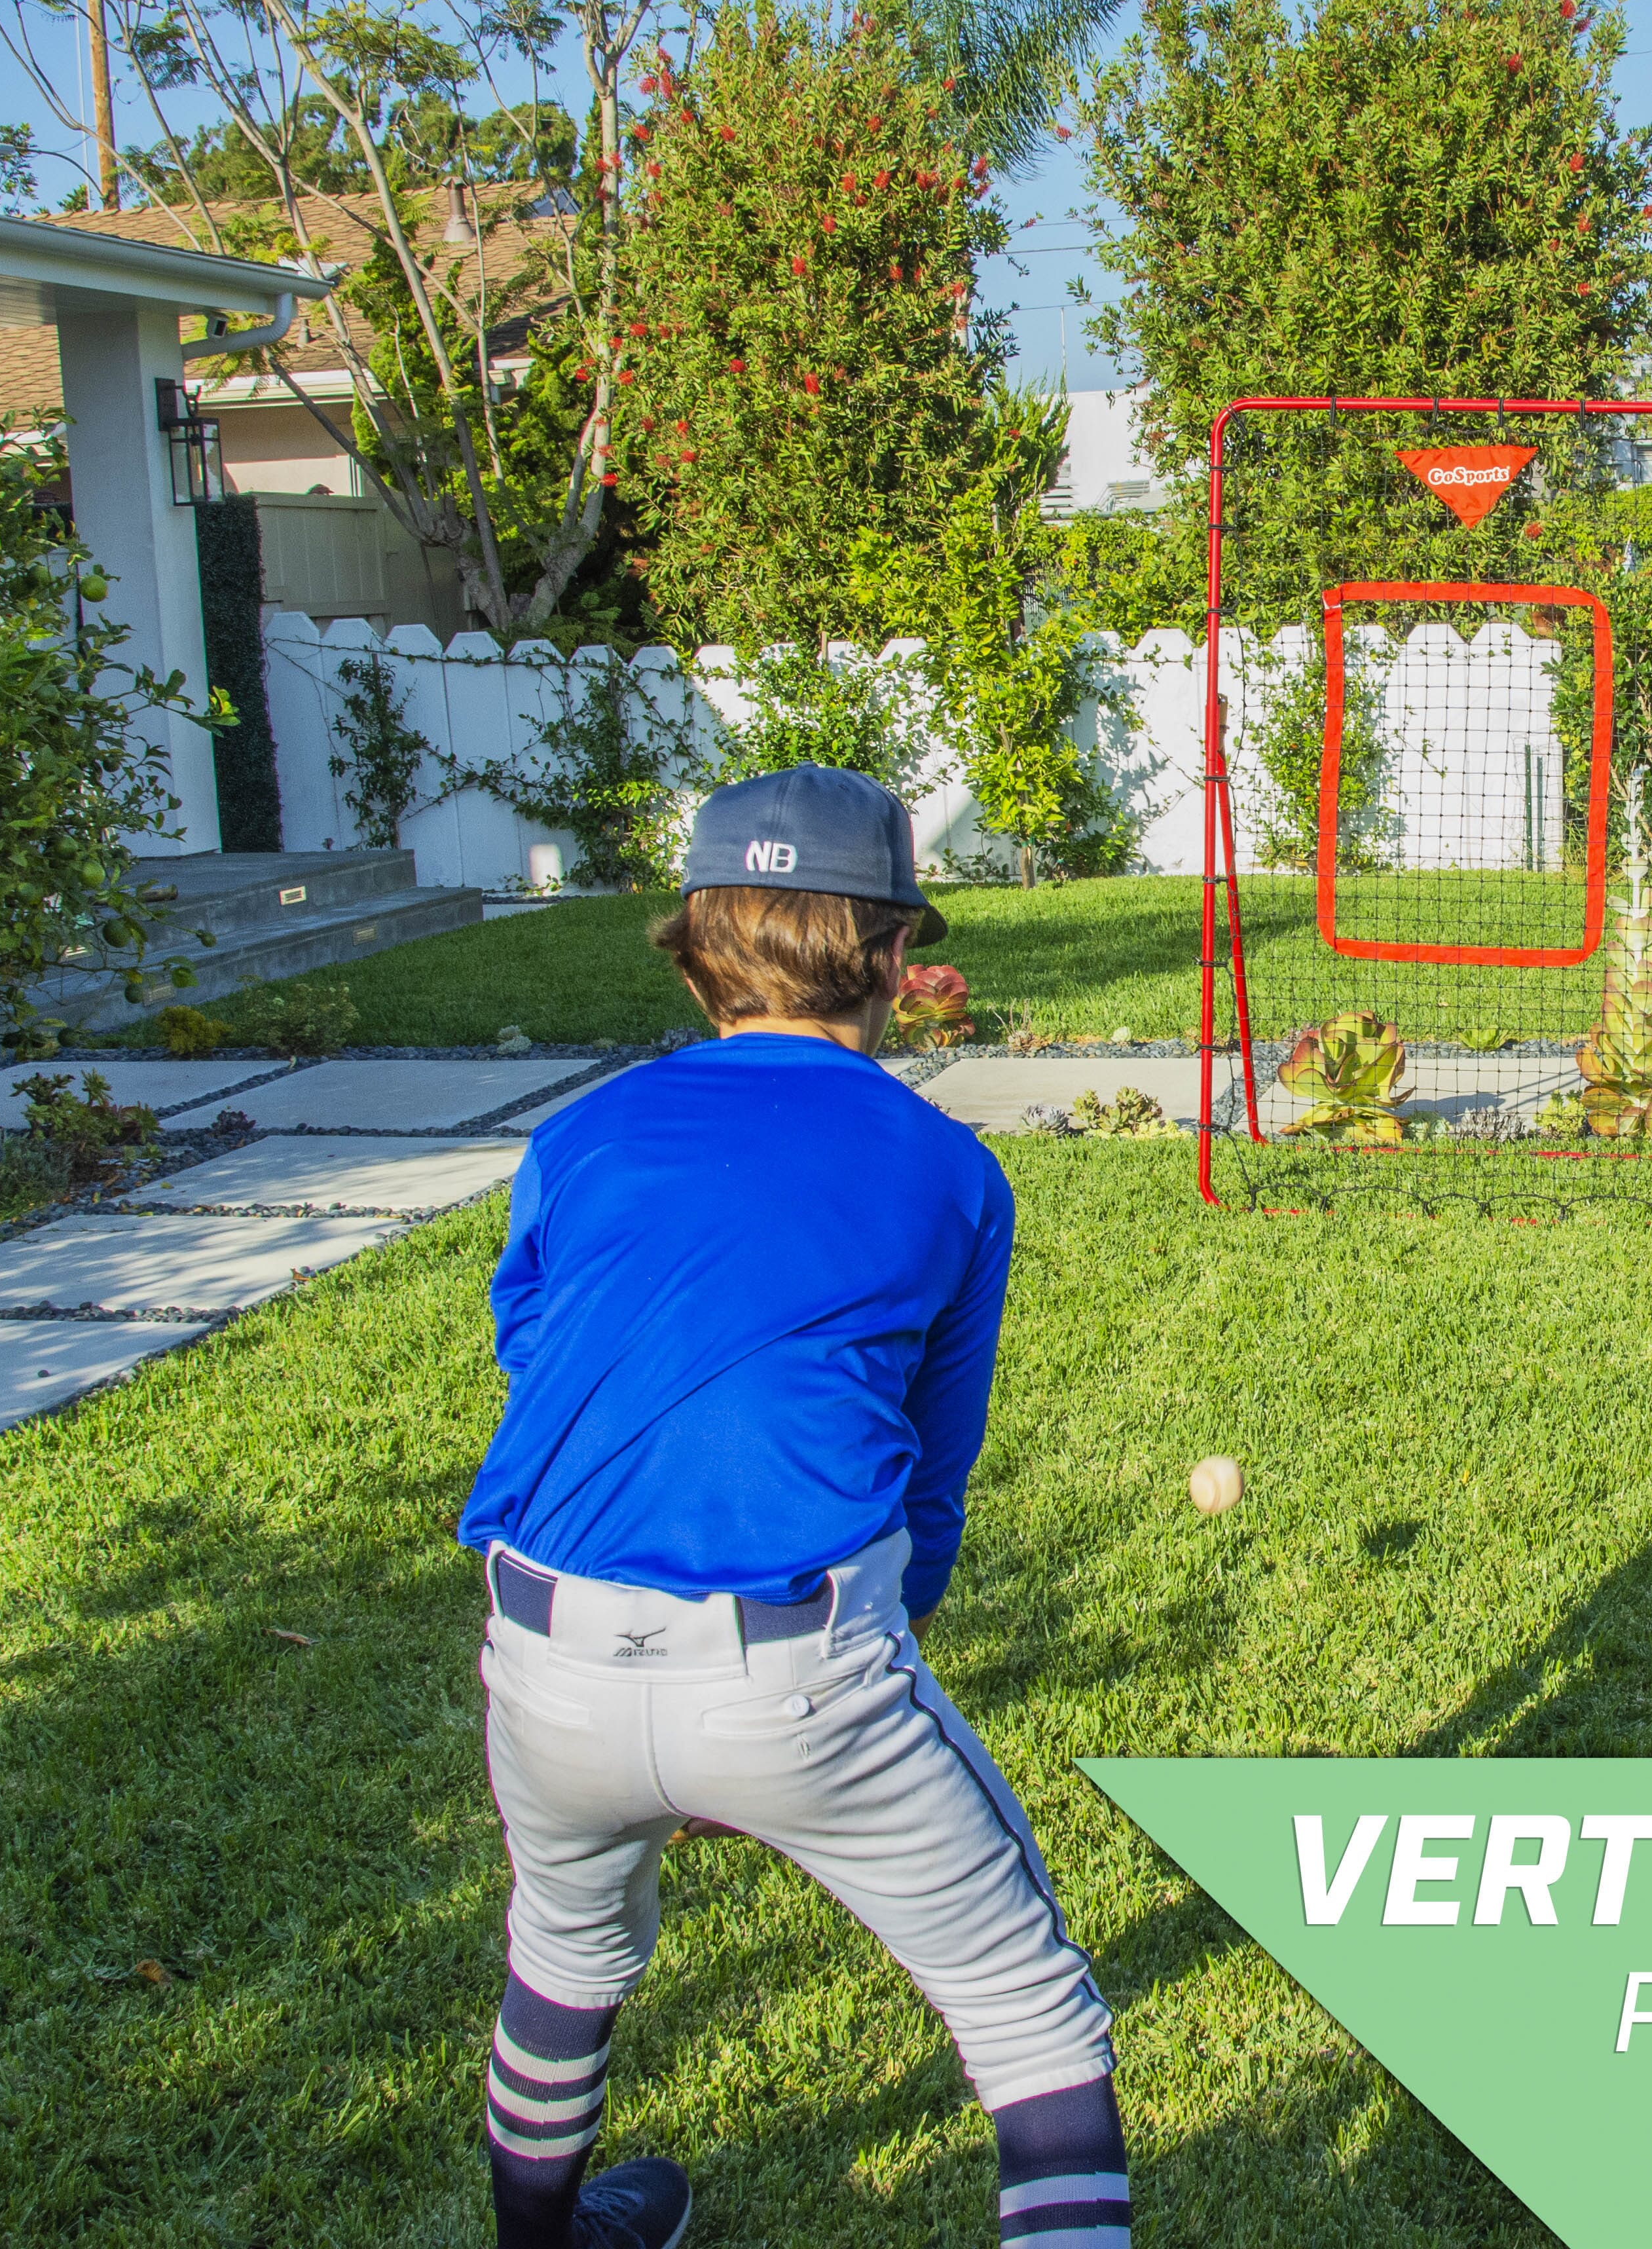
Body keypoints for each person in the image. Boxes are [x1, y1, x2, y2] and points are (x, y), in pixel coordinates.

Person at [457, 766, 1125, 2249]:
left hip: (541, 1648)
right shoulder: (947, 1168)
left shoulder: (581, 1134)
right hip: (797, 1664)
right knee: (1027, 2015)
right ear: (891, 958)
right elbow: (927, 1483)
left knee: (563, 1956)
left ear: (697, 944)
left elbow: (537, 1348)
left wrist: (655, 1728)